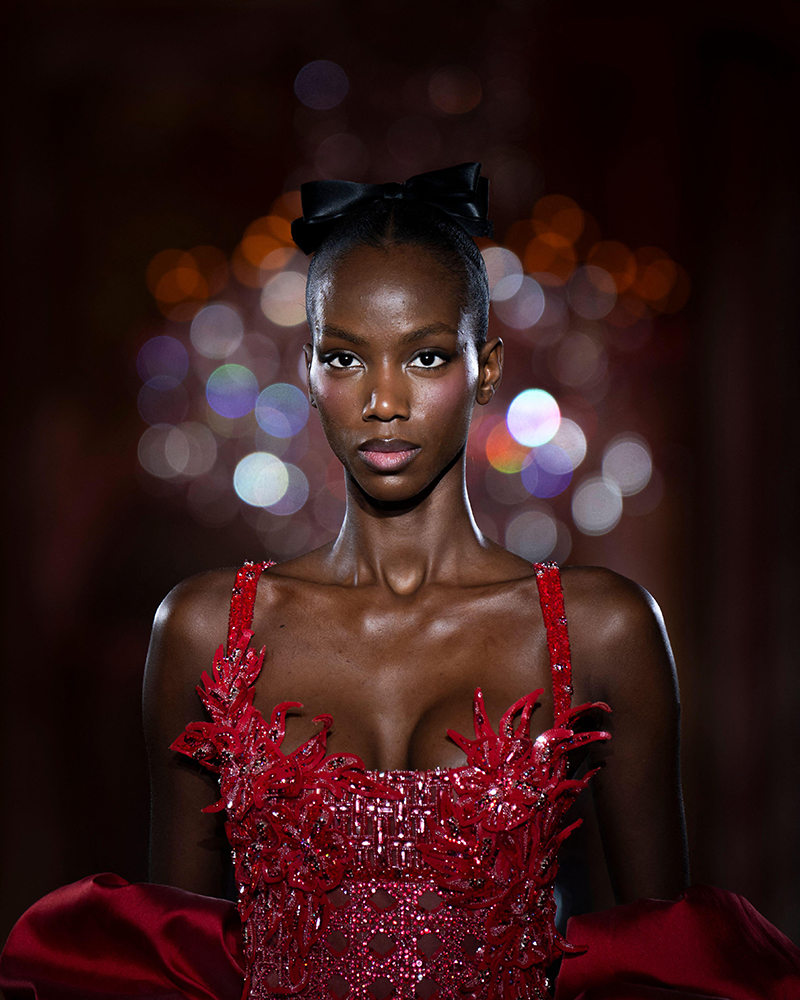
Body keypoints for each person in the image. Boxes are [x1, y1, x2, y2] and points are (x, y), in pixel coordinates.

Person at [1, 163, 799, 1000]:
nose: (384, 400)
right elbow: (176, 964)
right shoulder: (209, 630)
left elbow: (664, 968)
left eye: (425, 356)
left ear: (485, 368)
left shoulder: (601, 628)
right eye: (346, 358)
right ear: (309, 372)